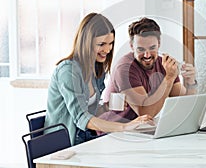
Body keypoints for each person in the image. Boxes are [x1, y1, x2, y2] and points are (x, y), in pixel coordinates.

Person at [44, 13, 153, 145]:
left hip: (86, 139)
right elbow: (82, 118)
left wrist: (106, 107)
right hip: (64, 144)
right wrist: (125, 126)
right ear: (86, 42)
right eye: (101, 44)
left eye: (110, 43)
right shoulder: (67, 71)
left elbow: (91, 111)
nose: (107, 50)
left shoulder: (96, 69)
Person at [101, 17, 197, 123]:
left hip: (140, 130)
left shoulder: (164, 64)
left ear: (159, 44)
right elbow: (145, 114)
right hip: (113, 132)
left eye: (152, 48)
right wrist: (169, 78)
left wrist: (190, 82)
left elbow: (183, 106)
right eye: (141, 49)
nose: (147, 55)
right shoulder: (124, 69)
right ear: (132, 46)